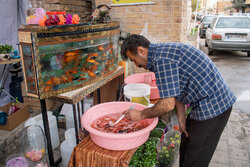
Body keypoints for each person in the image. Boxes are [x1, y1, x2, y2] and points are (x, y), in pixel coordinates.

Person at [121, 34, 236, 167]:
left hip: (214, 105)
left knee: (195, 159)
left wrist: (140, 114)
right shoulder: (161, 53)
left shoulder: (161, 60)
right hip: (203, 101)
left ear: (141, 51)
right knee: (186, 147)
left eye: (133, 59)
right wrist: (182, 119)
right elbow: (176, 90)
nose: (136, 64)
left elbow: (167, 104)